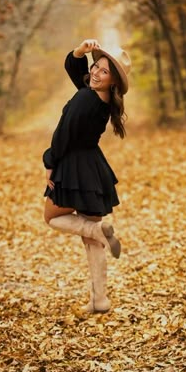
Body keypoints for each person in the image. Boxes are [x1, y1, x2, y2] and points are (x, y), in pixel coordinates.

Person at [43, 38, 131, 313]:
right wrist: (81, 52)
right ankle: (100, 300)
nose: (95, 72)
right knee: (92, 243)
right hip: (92, 165)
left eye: (104, 71)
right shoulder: (103, 99)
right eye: (96, 66)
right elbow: (79, 74)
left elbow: (63, 132)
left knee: (53, 217)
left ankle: (96, 229)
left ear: (113, 81)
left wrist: (50, 161)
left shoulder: (84, 97)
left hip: (73, 164)